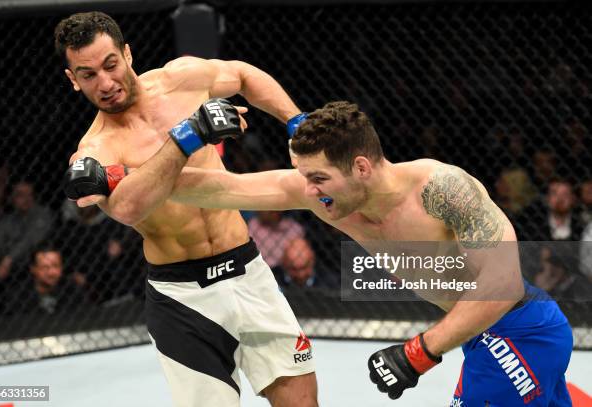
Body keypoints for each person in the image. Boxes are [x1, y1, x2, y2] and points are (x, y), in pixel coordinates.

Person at [105, 101, 572, 405]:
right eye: (303, 177)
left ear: (361, 167)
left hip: (518, 331)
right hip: (483, 337)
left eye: (319, 179)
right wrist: (119, 176)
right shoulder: (330, 196)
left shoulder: (443, 189)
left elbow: (501, 283)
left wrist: (420, 352)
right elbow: (221, 188)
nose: (309, 192)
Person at [55, 11, 316, 407]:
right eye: (88, 74)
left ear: (127, 54)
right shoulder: (95, 152)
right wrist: (188, 136)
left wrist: (297, 122)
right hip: (182, 298)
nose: (106, 83)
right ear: (73, 80)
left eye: (110, 65)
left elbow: (243, 76)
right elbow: (127, 207)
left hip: (248, 272)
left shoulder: (182, 79)